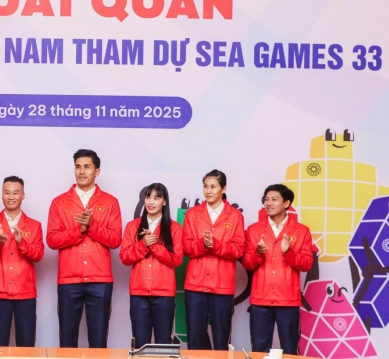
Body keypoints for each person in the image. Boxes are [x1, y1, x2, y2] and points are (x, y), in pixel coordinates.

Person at [46, 149, 122, 348]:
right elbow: (52, 240)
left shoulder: (110, 202)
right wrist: (78, 230)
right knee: (67, 341)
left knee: (98, 341)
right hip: (69, 280)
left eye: (87, 167)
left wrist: (92, 226)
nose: (81, 171)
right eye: (78, 167)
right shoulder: (59, 202)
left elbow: (115, 239)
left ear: (97, 171)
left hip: (100, 280)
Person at [242, 184, 313, 355]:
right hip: (261, 300)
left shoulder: (301, 231)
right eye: (266, 199)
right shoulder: (254, 230)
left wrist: (289, 252)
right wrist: (258, 253)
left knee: (290, 351)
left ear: (286, 203)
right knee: (259, 351)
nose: (269, 203)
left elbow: (306, 264)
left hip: (287, 300)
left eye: (274, 199)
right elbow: (247, 264)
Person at [182, 169, 245, 350]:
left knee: (221, 339)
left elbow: (239, 250)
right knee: (194, 339)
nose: (208, 191)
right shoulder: (192, 214)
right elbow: (186, 247)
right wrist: (203, 244)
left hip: (222, 285)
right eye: (205, 186)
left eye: (213, 187)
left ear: (223, 189)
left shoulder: (235, 216)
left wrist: (216, 245)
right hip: (196, 284)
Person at [0, 176, 44, 346]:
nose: (11, 197)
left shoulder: (34, 225)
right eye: (7, 193)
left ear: (23, 195)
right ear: (2, 195)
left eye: (16, 193)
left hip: (25, 292)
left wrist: (22, 242)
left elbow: (38, 255)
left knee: (26, 344)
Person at [119, 183, 183, 346]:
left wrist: (153, 246)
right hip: (139, 293)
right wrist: (143, 245)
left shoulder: (174, 228)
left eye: (156, 198)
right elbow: (125, 257)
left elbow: (176, 259)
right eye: (148, 197)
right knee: (140, 344)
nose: (151, 202)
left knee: (163, 344)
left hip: (164, 294)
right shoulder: (133, 226)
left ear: (164, 202)